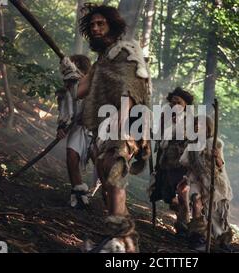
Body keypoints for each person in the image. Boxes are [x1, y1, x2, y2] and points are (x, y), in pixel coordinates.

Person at [61, 4, 151, 252]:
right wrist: (69, 74)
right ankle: (126, 243)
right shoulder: (101, 61)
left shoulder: (127, 52)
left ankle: (117, 241)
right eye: (92, 25)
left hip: (126, 126)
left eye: (101, 23)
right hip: (103, 128)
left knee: (113, 174)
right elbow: (79, 91)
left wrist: (120, 128)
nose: (96, 28)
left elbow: (131, 90)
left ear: (112, 25)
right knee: (108, 180)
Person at [179, 116, 234, 251]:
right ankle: (198, 238)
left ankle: (223, 241)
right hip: (196, 180)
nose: (198, 127)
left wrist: (216, 157)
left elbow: (221, 165)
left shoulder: (215, 143)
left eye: (201, 125)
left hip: (213, 181)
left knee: (215, 213)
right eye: (196, 124)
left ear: (208, 127)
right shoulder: (191, 145)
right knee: (196, 202)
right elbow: (183, 161)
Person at [149, 87, 194, 236]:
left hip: (183, 163)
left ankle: (183, 225)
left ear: (185, 104)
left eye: (178, 102)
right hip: (166, 162)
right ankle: (182, 217)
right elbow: (158, 136)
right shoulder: (165, 116)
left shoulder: (191, 119)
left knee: (182, 193)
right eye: (173, 102)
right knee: (168, 195)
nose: (175, 105)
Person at [57, 54, 94, 209]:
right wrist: (61, 127)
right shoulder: (67, 89)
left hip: (97, 129)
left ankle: (112, 200)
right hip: (77, 128)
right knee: (72, 157)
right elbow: (65, 111)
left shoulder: (94, 83)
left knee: (102, 163)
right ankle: (78, 192)